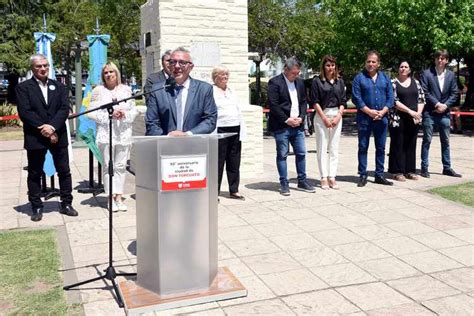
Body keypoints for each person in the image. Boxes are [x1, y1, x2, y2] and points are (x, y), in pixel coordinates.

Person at [15, 54, 77, 221]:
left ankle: (66, 203)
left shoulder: (60, 87)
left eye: (45, 65)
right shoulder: (23, 88)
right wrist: (45, 129)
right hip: (36, 136)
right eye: (38, 66)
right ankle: (36, 206)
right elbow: (25, 112)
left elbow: (64, 109)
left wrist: (52, 127)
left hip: (59, 135)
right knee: (35, 172)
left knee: (64, 171)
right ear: (32, 68)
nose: (42, 69)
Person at [87, 62, 138, 212]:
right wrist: (109, 115)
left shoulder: (126, 89)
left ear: (117, 74)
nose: (109, 75)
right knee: (108, 166)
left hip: (123, 132)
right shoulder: (98, 90)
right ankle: (110, 197)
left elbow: (133, 109)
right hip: (106, 132)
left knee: (121, 166)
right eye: (106, 73)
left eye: (111, 72)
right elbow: (90, 112)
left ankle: (119, 196)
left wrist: (125, 114)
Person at [267, 57, 315, 196]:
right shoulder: (275, 83)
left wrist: (301, 117)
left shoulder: (299, 83)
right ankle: (284, 183)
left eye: (298, 73)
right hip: (282, 126)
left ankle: (302, 181)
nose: (296, 75)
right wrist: (287, 120)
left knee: (301, 153)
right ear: (286, 70)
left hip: (298, 125)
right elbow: (273, 105)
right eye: (294, 73)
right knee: (282, 155)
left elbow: (303, 101)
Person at [145, 47, 217, 136]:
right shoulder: (157, 90)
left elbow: (210, 120)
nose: (177, 66)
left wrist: (188, 134)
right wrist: (167, 138)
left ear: (191, 67)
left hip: (195, 145)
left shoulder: (204, 89)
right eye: (173, 62)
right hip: (166, 145)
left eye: (182, 63)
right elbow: (151, 123)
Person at [352, 51, 394, 187]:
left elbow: (391, 98)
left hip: (382, 118)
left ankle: (379, 175)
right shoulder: (359, 78)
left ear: (378, 64)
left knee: (381, 147)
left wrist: (383, 111)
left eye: (373, 62)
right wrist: (369, 111)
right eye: (369, 61)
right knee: (363, 146)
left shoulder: (385, 78)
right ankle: (363, 175)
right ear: (365, 63)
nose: (371, 64)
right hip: (364, 118)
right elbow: (356, 98)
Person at [420, 49, 461, 178]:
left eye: (443, 58)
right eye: (438, 57)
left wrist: (446, 105)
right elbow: (425, 92)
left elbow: (454, 93)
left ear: (447, 60)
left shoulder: (450, 75)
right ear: (435, 59)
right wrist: (437, 104)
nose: (440, 60)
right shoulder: (426, 74)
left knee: (446, 141)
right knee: (427, 140)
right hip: (430, 113)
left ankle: (447, 167)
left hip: (444, 114)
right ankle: (424, 168)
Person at [310, 55, 347, 190]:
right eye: (328, 65)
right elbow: (314, 101)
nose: (330, 68)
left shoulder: (340, 82)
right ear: (323, 67)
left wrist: (338, 116)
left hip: (336, 115)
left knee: (334, 148)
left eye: (332, 65)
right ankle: (323, 177)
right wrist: (324, 118)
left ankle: (332, 176)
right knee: (322, 147)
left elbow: (343, 101)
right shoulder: (317, 81)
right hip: (322, 116)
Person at [212, 65, 247, 200]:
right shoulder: (212, 91)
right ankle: (214, 192)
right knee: (218, 162)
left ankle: (234, 189)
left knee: (234, 161)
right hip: (220, 129)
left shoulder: (232, 91)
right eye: (222, 75)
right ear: (216, 77)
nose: (225, 77)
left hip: (235, 128)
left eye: (227, 75)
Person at [388, 61, 425, 181]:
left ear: (409, 70)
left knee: (411, 143)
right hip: (398, 119)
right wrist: (410, 111)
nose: (403, 69)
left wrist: (418, 113)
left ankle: (410, 170)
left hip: (413, 119)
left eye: (406, 67)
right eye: (401, 67)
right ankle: (397, 171)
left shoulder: (416, 82)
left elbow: (421, 98)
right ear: (398, 69)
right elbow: (394, 101)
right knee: (398, 144)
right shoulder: (393, 83)